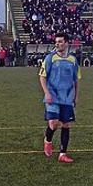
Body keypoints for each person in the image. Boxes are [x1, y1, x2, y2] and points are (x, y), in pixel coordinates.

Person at [39, 32, 80, 163]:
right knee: (53, 123)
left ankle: (62, 154)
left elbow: (76, 80)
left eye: (60, 41)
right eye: (56, 42)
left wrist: (76, 96)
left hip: (67, 97)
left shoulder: (73, 60)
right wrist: (47, 93)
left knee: (66, 124)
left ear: (67, 43)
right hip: (53, 95)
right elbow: (42, 76)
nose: (57, 44)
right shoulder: (50, 58)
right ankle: (48, 140)